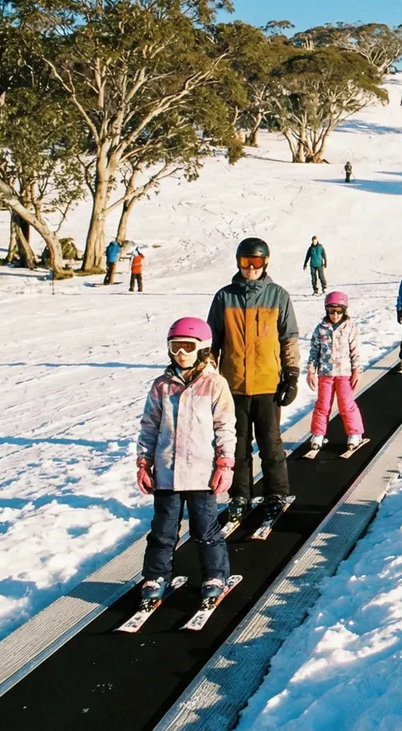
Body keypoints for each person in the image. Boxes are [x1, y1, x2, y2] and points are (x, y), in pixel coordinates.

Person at [136, 317, 235, 610]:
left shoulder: (215, 384)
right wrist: (144, 463)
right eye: (175, 347)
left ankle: (215, 575)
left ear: (202, 349)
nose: (180, 354)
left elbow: (225, 426)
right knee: (163, 531)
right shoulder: (161, 386)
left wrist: (225, 463)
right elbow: (149, 426)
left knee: (205, 529)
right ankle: (155, 576)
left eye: (187, 348)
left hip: (202, 473)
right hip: (167, 472)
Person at [207, 237, 300, 522]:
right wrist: (208, 377)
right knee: (237, 445)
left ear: (265, 263)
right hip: (232, 386)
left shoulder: (278, 295)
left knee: (270, 443)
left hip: (268, 384)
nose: (250, 268)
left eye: (256, 262)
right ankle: (239, 495)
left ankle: (276, 493)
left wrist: (292, 374)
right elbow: (212, 342)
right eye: (245, 262)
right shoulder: (224, 297)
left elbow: (288, 338)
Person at [306, 291, 365, 454]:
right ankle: (318, 433)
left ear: (344, 311)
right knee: (323, 404)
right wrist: (311, 371)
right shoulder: (321, 329)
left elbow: (355, 351)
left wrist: (356, 370)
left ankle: (355, 433)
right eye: (332, 311)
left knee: (346, 404)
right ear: (327, 311)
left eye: (339, 311)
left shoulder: (350, 328)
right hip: (325, 374)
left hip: (344, 373)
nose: (335, 315)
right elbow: (314, 352)